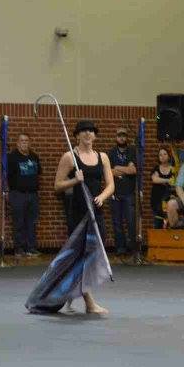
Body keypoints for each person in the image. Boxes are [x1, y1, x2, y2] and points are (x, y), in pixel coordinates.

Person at [53, 120, 115, 315]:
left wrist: (102, 197)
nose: (88, 134)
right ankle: (89, 303)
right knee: (81, 257)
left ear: (95, 135)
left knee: (93, 255)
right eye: (84, 131)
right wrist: (74, 180)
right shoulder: (69, 157)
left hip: (96, 211)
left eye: (91, 131)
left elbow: (111, 185)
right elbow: (57, 185)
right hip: (78, 213)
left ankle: (72, 291)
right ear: (77, 135)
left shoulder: (103, 157)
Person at [7, 133, 41, 257]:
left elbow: (38, 173)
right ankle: (19, 248)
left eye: (26, 140)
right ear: (17, 143)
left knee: (32, 222)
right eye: (22, 140)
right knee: (19, 222)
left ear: (29, 142)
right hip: (18, 194)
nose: (24, 143)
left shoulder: (34, 157)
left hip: (33, 194)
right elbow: (6, 176)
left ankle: (31, 248)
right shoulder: (12, 157)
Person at [108, 127, 137, 256]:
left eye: (124, 135)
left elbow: (133, 170)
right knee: (117, 222)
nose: (122, 138)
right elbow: (109, 172)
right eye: (119, 135)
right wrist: (126, 169)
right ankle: (120, 248)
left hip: (129, 192)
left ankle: (132, 247)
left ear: (127, 137)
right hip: (114, 191)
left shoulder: (132, 151)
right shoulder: (111, 153)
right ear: (116, 137)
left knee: (131, 221)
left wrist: (118, 168)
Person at [150, 147, 175, 228]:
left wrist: (162, 180)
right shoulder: (156, 168)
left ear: (169, 156)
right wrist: (168, 180)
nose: (162, 156)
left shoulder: (173, 169)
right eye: (160, 155)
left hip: (169, 198)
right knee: (158, 224)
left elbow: (175, 182)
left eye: (165, 154)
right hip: (157, 199)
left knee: (170, 224)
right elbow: (155, 179)